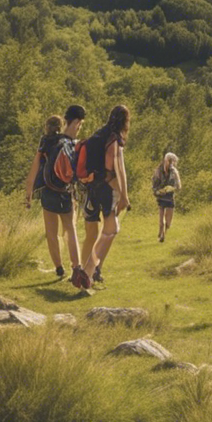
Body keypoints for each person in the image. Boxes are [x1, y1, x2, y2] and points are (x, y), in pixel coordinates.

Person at [23, 106, 88, 288]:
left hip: (48, 192)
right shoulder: (72, 143)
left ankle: (59, 269)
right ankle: (77, 267)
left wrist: (28, 194)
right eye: (80, 125)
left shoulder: (46, 141)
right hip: (65, 192)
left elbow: (34, 169)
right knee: (70, 229)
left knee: (51, 233)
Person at [81, 105, 131, 287]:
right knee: (110, 231)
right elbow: (119, 170)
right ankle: (87, 271)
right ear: (125, 121)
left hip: (92, 187)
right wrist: (124, 195)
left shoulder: (99, 135)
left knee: (110, 230)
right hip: (107, 189)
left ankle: (95, 269)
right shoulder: (114, 140)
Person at [152, 152, 181, 243]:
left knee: (168, 222)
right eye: (169, 161)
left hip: (170, 198)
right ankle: (162, 235)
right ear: (165, 160)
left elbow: (179, 186)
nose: (170, 163)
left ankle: (163, 231)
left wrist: (172, 188)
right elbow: (154, 185)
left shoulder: (174, 172)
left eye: (172, 161)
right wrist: (158, 191)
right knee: (162, 221)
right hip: (161, 198)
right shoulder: (158, 171)